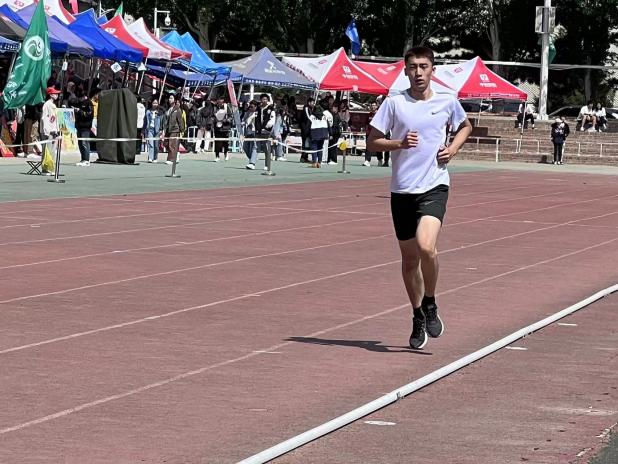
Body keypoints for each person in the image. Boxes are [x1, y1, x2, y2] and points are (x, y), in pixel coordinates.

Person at [367, 46, 472, 350]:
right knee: (410, 259)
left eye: (423, 66)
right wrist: (398, 143)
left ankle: (431, 302)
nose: (418, 73)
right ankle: (417, 315)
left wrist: (452, 149)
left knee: (427, 246)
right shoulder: (394, 103)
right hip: (402, 190)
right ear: (405, 71)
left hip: (434, 185)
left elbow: (465, 126)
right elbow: (372, 142)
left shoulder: (446, 101)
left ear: (432, 70)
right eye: (412, 67)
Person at [40, 87, 62, 174]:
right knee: (47, 150)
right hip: (48, 131)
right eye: (55, 93)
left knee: (52, 151)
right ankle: (45, 169)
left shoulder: (53, 105)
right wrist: (46, 130)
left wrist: (57, 130)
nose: (57, 95)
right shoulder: (47, 104)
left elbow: (55, 119)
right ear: (50, 95)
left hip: (54, 131)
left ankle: (51, 168)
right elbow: (44, 118)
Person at [162, 94, 185, 165]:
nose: (170, 100)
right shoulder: (168, 109)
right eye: (169, 98)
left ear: (175, 100)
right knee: (166, 143)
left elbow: (180, 120)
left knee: (171, 144)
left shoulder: (177, 109)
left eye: (171, 98)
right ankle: (176, 154)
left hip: (175, 129)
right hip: (168, 129)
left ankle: (171, 159)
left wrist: (182, 130)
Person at [73, 90, 94, 166]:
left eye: (80, 98)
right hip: (79, 126)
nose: (79, 99)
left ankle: (86, 160)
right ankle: (83, 159)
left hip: (86, 127)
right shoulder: (79, 103)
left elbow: (89, 115)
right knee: (80, 143)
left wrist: (79, 111)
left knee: (85, 143)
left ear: (84, 96)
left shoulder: (89, 103)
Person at [363, 101, 383, 166]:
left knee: (378, 147)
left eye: (374, 105)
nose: (373, 107)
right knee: (368, 146)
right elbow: (366, 124)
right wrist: (366, 131)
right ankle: (367, 160)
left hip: (377, 133)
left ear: (376, 106)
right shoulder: (369, 115)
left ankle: (380, 159)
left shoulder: (379, 114)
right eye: (372, 105)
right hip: (369, 133)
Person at [256, 93, 275, 160]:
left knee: (266, 146)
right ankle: (253, 160)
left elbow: (272, 120)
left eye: (266, 99)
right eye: (263, 99)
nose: (264, 100)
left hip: (267, 130)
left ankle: (268, 161)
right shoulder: (258, 108)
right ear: (260, 100)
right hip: (258, 130)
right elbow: (256, 118)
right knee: (255, 146)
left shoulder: (271, 108)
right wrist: (257, 128)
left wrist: (266, 127)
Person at [213, 96, 233, 161]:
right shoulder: (214, 107)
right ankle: (217, 156)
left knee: (225, 142)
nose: (219, 101)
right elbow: (212, 116)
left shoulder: (227, 106)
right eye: (218, 99)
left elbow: (231, 116)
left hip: (225, 127)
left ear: (223, 100)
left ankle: (226, 154)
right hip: (217, 127)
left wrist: (226, 120)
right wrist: (215, 120)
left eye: (221, 99)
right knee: (217, 142)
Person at [144, 99, 163, 163]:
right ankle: (150, 158)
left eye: (156, 103)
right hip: (150, 129)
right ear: (151, 103)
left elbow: (162, 122)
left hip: (157, 130)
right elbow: (145, 121)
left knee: (156, 145)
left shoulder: (160, 112)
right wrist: (144, 130)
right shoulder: (148, 111)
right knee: (151, 144)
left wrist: (161, 130)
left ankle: (155, 157)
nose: (155, 104)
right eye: (154, 103)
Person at [242, 100, 258, 169]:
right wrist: (243, 123)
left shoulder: (257, 113)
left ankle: (252, 163)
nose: (250, 108)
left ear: (256, 107)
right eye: (250, 107)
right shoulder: (247, 113)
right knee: (245, 147)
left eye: (252, 107)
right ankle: (252, 158)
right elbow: (244, 120)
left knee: (254, 147)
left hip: (255, 132)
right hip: (248, 132)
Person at [299, 97, 315, 162]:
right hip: (305, 128)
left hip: (308, 128)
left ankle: (305, 156)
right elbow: (308, 117)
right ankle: (303, 157)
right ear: (309, 102)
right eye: (313, 102)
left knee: (307, 143)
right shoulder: (306, 107)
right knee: (304, 142)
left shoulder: (311, 108)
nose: (313, 104)